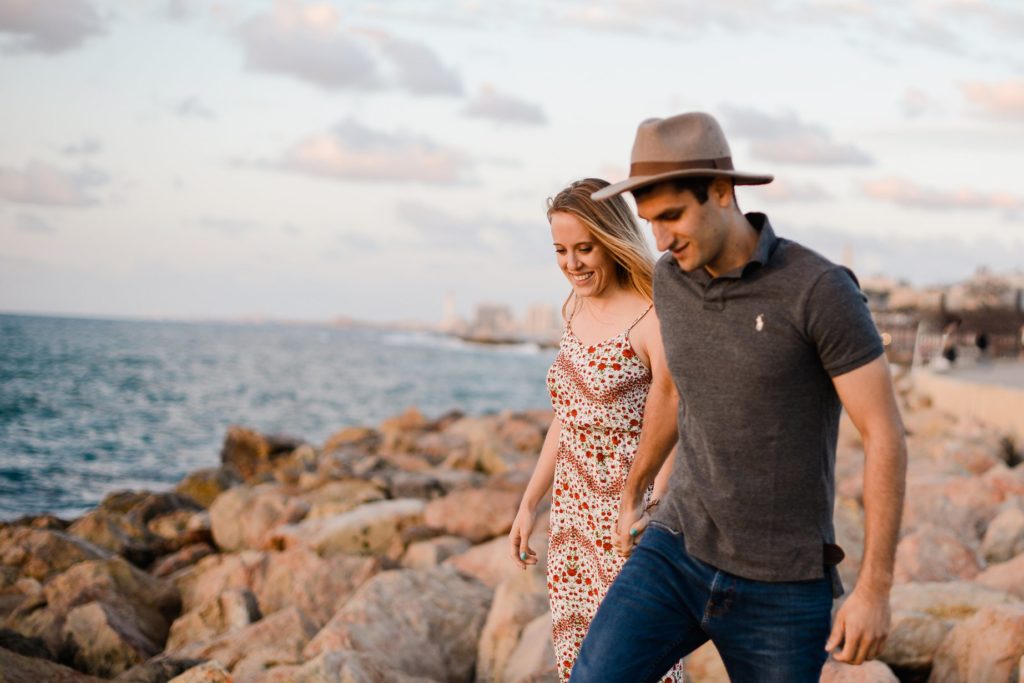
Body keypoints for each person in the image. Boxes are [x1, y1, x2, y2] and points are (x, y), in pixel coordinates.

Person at [568, 113, 908, 682]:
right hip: (676, 548)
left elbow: (885, 436)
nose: (663, 239)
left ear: (723, 192)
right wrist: (635, 489)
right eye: (651, 222)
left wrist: (875, 590)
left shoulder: (819, 291)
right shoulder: (671, 282)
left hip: (782, 585)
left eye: (673, 216)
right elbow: (672, 392)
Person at [509, 178, 686, 683]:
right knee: (578, 662)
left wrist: (653, 508)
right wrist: (529, 504)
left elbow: (679, 416)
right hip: (570, 520)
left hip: (625, 522)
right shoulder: (576, 309)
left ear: (611, 240)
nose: (572, 263)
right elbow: (568, 418)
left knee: (640, 664)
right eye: (561, 250)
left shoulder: (654, 317)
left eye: (584, 248)